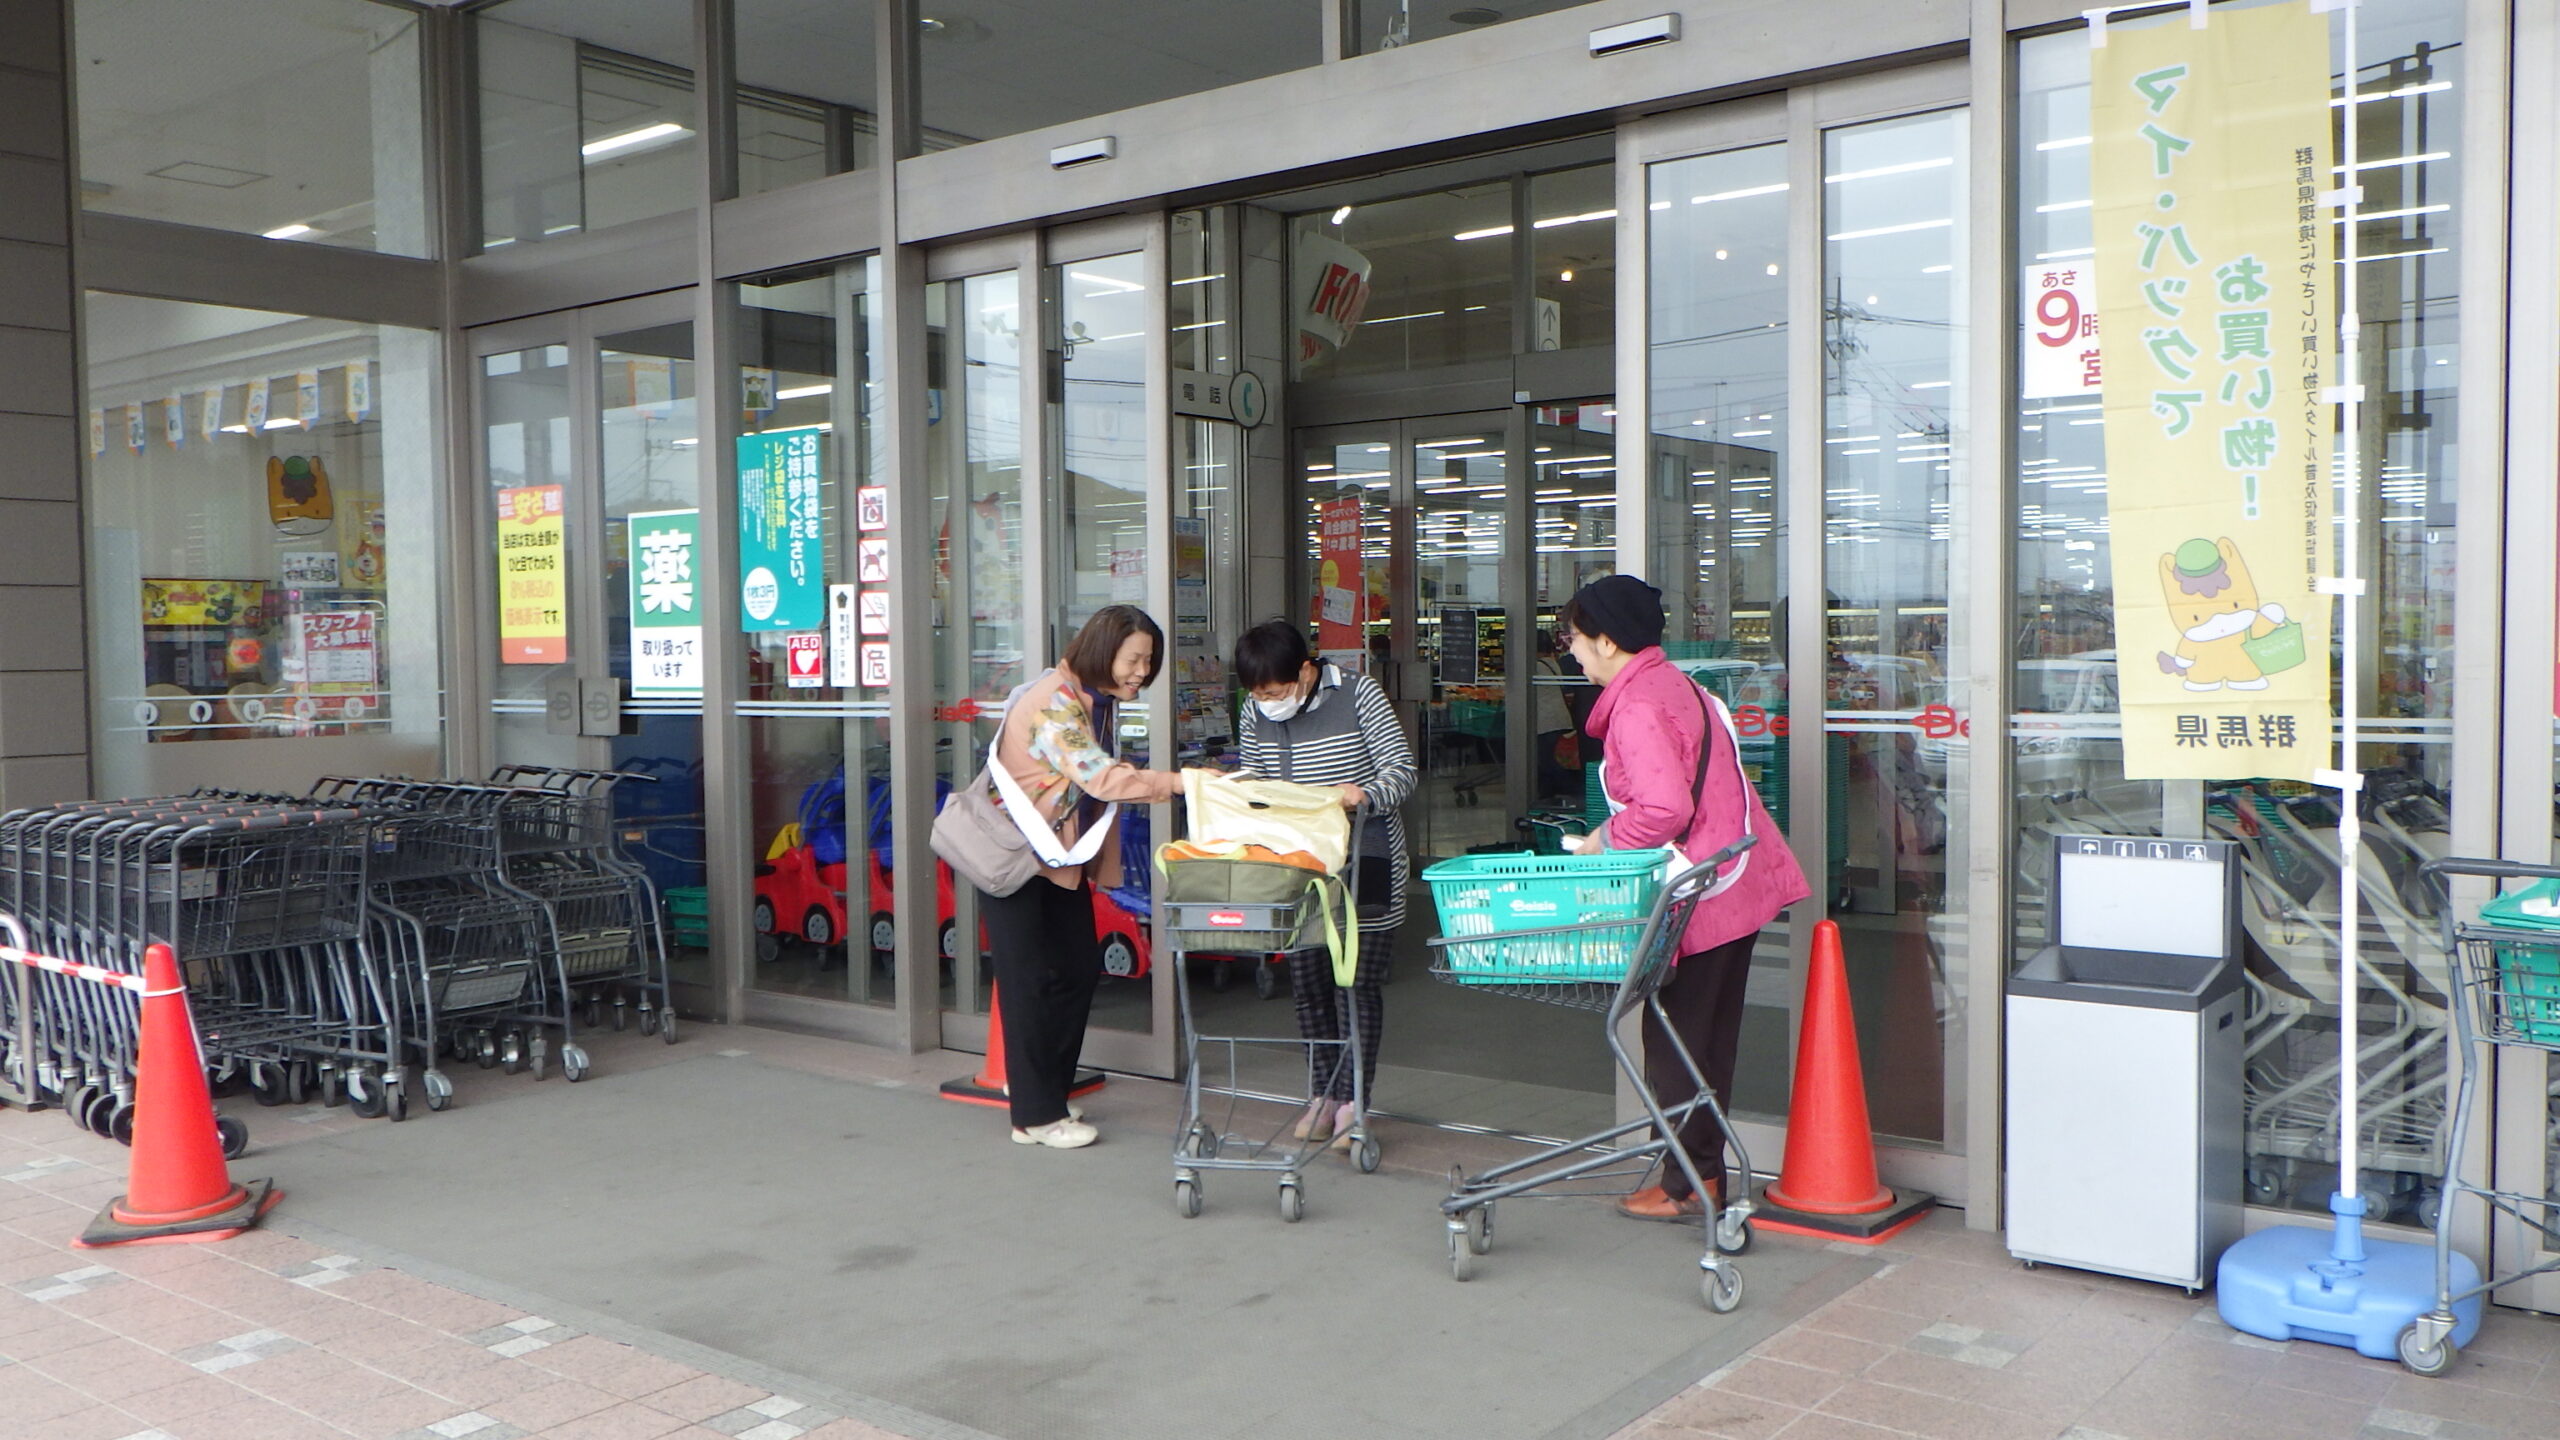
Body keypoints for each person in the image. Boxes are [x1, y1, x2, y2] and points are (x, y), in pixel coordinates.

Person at [1561, 574, 1809, 1220]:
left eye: (1576, 639)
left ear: (1607, 641)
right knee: (1706, 1041)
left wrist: (1602, 840)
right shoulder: (1678, 685)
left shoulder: (1637, 706)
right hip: (1735, 878)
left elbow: (1664, 809)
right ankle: (1697, 1174)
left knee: (1676, 1041)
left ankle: (1688, 1184)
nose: (1572, 652)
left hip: (1700, 893)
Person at [980, 604, 1186, 1150]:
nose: (1142, 671)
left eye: (1148, 661)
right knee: (1029, 982)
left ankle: (1042, 1095)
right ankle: (1036, 1115)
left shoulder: (1090, 699)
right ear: (1103, 650)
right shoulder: (1055, 701)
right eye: (1134, 659)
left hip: (1052, 859)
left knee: (1075, 968)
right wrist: (1180, 783)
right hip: (1014, 858)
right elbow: (1100, 778)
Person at [1233, 620, 1417, 1150]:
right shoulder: (1254, 711)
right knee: (1309, 983)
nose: (1268, 703)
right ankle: (1322, 1094)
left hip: (1366, 858)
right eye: (1258, 695)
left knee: (1356, 986)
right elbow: (1253, 779)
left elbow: (1402, 771)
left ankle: (1354, 1101)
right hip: (1300, 863)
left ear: (1306, 670)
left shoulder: (1358, 694)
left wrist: (1362, 794)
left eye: (1276, 692)